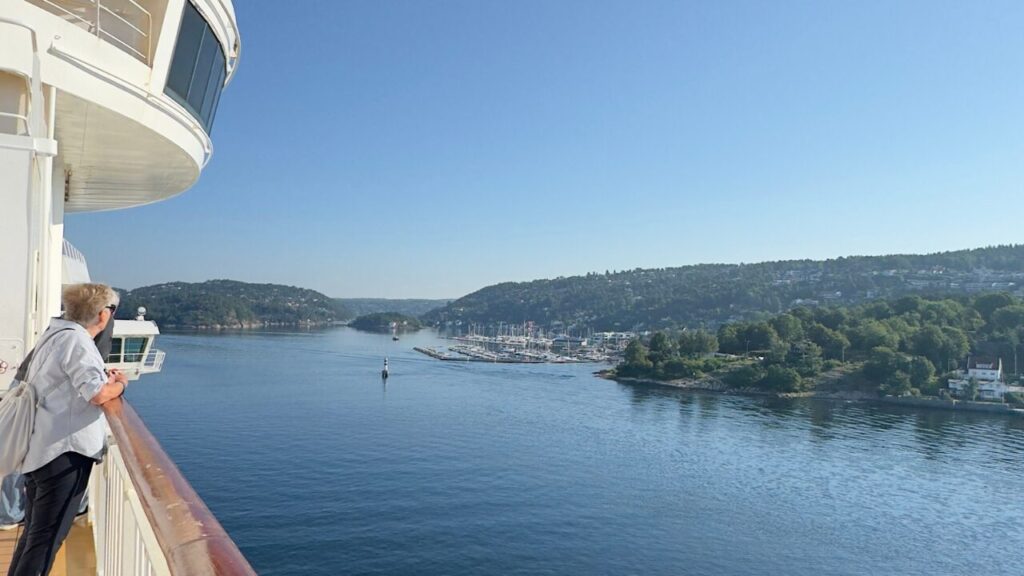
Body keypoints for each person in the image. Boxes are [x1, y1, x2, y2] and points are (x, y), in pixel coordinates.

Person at [7, 283, 127, 576]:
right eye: (111, 311)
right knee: (45, 541)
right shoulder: (78, 342)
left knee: (34, 538)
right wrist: (120, 384)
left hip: (42, 450)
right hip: (65, 455)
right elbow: (97, 394)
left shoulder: (56, 334)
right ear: (102, 314)